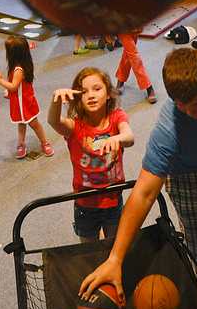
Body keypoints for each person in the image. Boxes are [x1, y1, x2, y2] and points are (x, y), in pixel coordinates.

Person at [80, 48, 197, 308]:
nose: (189, 113)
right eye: (180, 105)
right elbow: (144, 193)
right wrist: (115, 259)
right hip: (189, 177)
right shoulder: (169, 129)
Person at [49, 67, 134, 243]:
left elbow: (129, 137)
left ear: (109, 93)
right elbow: (53, 121)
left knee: (114, 244)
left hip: (113, 198)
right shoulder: (75, 127)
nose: (91, 95)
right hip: (84, 202)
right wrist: (56, 100)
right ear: (78, 98)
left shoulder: (117, 117)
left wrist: (118, 138)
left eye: (97, 88)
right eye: (84, 91)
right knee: (88, 249)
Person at [0, 35, 53, 159]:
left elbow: (14, 86)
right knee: (21, 124)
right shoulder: (21, 62)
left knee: (34, 124)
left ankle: (44, 142)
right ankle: (21, 144)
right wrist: (9, 92)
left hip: (25, 103)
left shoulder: (18, 70)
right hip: (20, 101)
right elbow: (15, 87)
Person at [115, 30, 156, 103]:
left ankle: (121, 79)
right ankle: (148, 87)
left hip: (134, 26)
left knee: (128, 54)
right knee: (134, 57)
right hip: (121, 26)